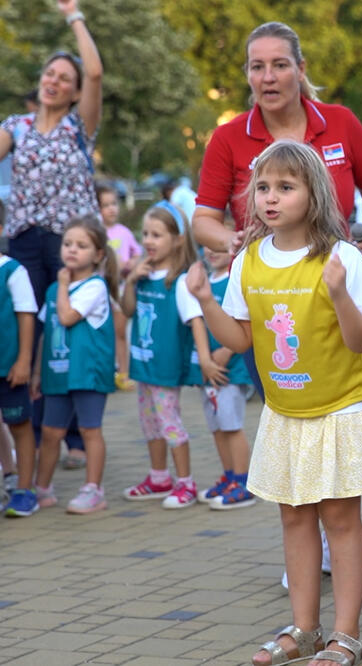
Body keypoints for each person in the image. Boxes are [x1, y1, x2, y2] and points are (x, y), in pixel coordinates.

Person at [189, 139, 362, 666]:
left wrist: (340, 294)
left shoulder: (342, 258)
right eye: (262, 187)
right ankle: (304, 630)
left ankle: (345, 635)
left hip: (340, 409)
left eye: (285, 186)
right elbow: (239, 342)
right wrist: (205, 300)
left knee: (341, 521)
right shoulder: (249, 260)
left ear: (315, 193)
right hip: (284, 412)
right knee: (295, 518)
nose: (270, 198)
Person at [192, 22, 362, 262]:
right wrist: (232, 240)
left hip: (335, 273)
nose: (268, 77)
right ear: (248, 74)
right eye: (257, 67)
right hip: (261, 279)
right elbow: (203, 220)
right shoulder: (227, 137)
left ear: (300, 69)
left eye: (280, 65)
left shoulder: (342, 121)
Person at [0, 0, 103, 310]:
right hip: (24, 240)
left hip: (72, 243)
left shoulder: (78, 126)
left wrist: (74, 16)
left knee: (65, 326)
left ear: (75, 94)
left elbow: (95, 74)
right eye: (50, 74)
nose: (53, 81)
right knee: (24, 322)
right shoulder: (16, 127)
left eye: (64, 78)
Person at [121, 202, 225, 509]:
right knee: (148, 423)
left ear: (178, 240)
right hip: (143, 364)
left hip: (165, 367)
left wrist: (205, 359)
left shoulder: (179, 282)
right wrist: (130, 280)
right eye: (146, 234)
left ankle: (186, 483)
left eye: (157, 234)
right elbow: (127, 310)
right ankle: (158, 477)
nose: (149, 241)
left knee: (169, 423)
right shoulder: (143, 274)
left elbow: (196, 322)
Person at [31, 215, 117, 514]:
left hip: (87, 372)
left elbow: (67, 317)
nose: (72, 250)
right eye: (68, 243)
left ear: (98, 254)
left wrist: (64, 285)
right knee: (51, 431)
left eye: (82, 245)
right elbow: (47, 331)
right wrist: (37, 373)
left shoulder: (94, 287)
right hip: (57, 372)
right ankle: (41, 489)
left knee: (90, 429)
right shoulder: (55, 289)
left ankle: (93, 489)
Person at [190, 246, 255, 510]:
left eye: (220, 246)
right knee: (216, 426)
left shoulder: (236, 280)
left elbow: (248, 321)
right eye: (208, 245)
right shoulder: (204, 281)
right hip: (209, 371)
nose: (212, 251)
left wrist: (228, 350)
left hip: (231, 369)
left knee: (231, 425)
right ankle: (228, 476)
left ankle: (243, 482)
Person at [0, 235, 37, 517]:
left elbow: (26, 316)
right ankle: (8, 475)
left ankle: (25, 489)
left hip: (9, 368)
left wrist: (24, 361)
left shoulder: (13, 271)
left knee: (20, 425)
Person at [95, 182, 141, 390]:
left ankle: (123, 372)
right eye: (105, 205)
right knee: (102, 333)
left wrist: (131, 263)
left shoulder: (123, 232)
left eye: (114, 203)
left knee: (120, 331)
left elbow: (137, 253)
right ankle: (105, 372)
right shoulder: (95, 233)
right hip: (99, 290)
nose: (112, 208)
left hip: (120, 288)